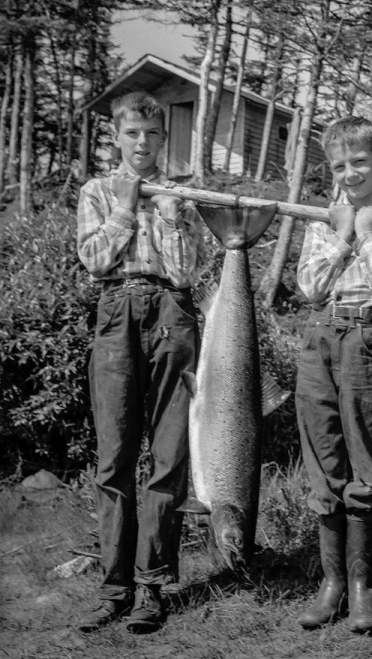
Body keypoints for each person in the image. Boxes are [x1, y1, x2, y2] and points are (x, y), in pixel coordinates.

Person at [76, 91, 205, 634]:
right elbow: (94, 259)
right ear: (116, 136)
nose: (143, 143)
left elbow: (185, 274)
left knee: (170, 453)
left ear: (163, 138)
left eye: (152, 134)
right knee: (115, 457)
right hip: (114, 310)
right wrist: (128, 207)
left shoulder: (181, 193)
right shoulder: (97, 191)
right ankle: (114, 588)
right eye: (132, 133)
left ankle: (152, 585)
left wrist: (172, 219)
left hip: (171, 313)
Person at [295, 115, 372, 634]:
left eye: (360, 162)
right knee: (324, 461)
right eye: (339, 165)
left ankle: (362, 588)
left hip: (370, 339)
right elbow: (308, 287)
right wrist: (342, 236)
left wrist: (367, 235)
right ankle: (330, 584)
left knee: (366, 464)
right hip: (319, 337)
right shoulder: (321, 219)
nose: (349, 173)